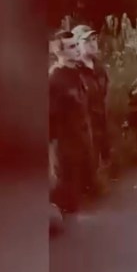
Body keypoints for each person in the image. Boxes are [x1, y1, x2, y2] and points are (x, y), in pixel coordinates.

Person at [49, 30, 98, 219]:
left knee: (85, 194)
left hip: (82, 139)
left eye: (76, 45)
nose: (77, 50)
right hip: (66, 145)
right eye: (71, 47)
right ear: (59, 52)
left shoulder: (76, 73)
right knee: (69, 202)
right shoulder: (54, 79)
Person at [71, 24, 111, 173]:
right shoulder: (74, 70)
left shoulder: (99, 67)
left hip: (100, 121)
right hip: (84, 126)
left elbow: (104, 94)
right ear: (76, 45)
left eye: (94, 39)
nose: (92, 43)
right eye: (87, 40)